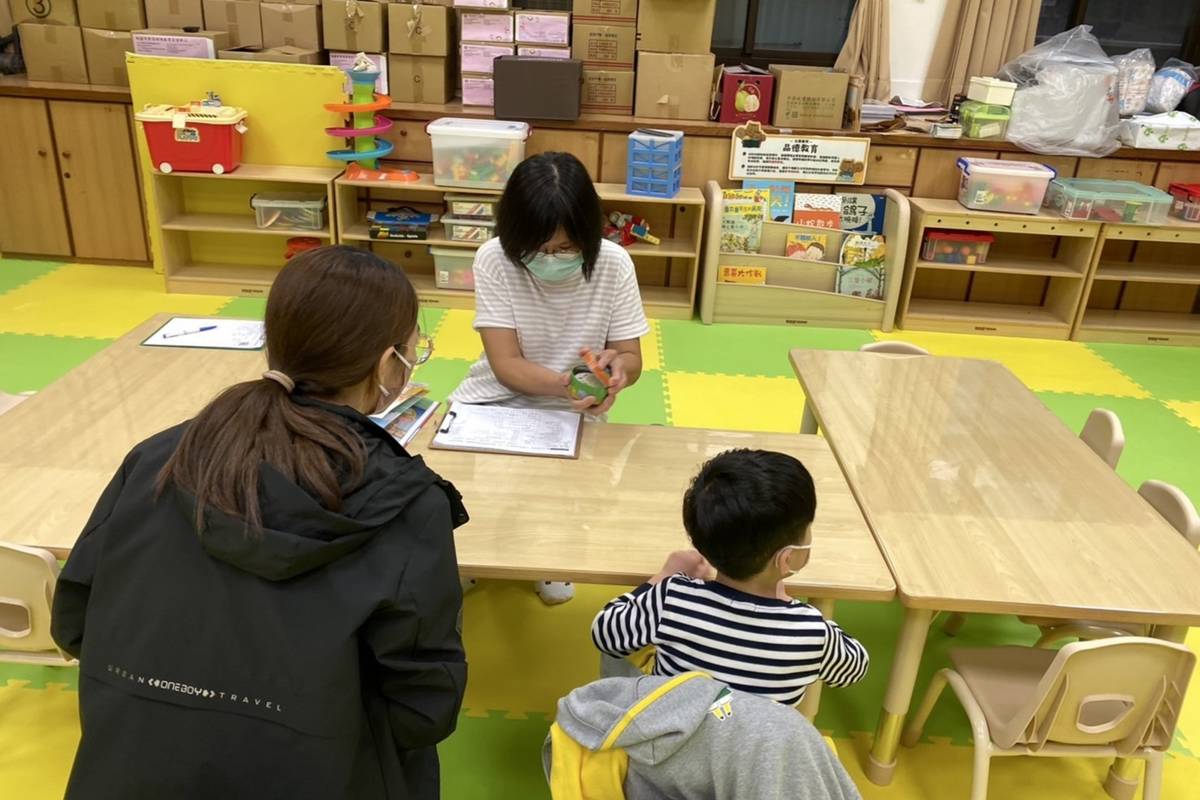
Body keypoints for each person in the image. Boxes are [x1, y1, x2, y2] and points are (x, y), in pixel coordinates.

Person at [51, 246, 469, 800]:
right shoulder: (410, 505)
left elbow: (75, 620)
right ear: (388, 364)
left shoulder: (159, 458)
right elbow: (424, 707)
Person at [450, 151, 650, 606]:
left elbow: (633, 357)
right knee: (466, 482)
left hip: (575, 412)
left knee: (571, 495)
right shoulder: (494, 258)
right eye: (537, 249)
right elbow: (506, 364)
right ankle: (471, 556)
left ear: (588, 233)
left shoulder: (614, 264)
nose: (550, 259)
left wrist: (617, 373)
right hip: (496, 399)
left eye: (564, 249)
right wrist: (569, 384)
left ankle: (547, 559)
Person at [590, 449, 869, 706]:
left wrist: (663, 576)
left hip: (666, 750)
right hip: (752, 760)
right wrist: (792, 608)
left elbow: (605, 633)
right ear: (787, 558)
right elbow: (855, 668)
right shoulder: (812, 631)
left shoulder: (671, 598)